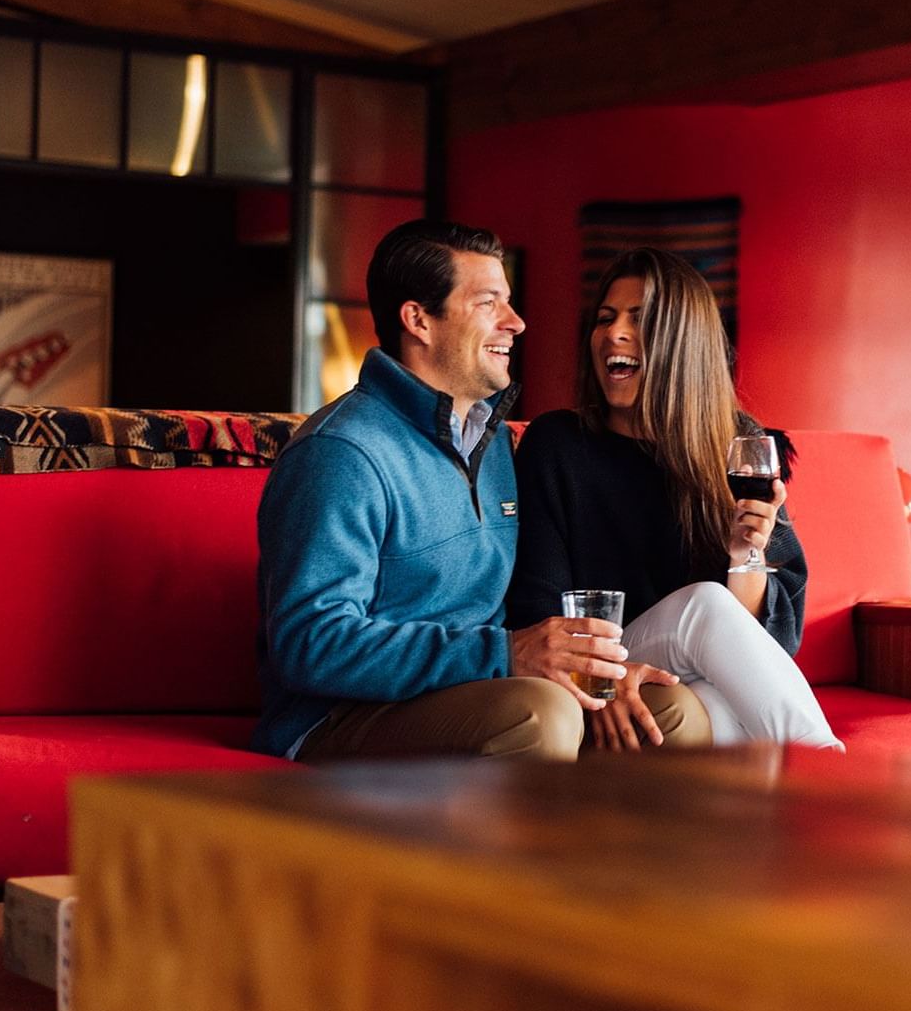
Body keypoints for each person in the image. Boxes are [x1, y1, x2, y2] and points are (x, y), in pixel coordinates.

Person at [253, 220, 712, 762]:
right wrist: (503, 653)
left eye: (509, 303)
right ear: (418, 320)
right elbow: (311, 644)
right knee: (540, 717)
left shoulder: (489, 442)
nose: (516, 323)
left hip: (475, 687)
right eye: (488, 303)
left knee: (669, 713)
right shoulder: (342, 452)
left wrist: (589, 666)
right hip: (341, 715)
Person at [507, 247, 841, 751]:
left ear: (684, 344)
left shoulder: (737, 445)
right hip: (596, 651)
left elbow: (768, 648)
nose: (614, 333)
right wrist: (603, 674)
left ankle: (790, 809)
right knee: (705, 605)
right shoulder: (557, 444)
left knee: (729, 707)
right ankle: (828, 769)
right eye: (605, 318)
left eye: (638, 320)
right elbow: (537, 603)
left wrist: (746, 554)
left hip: (680, 673)